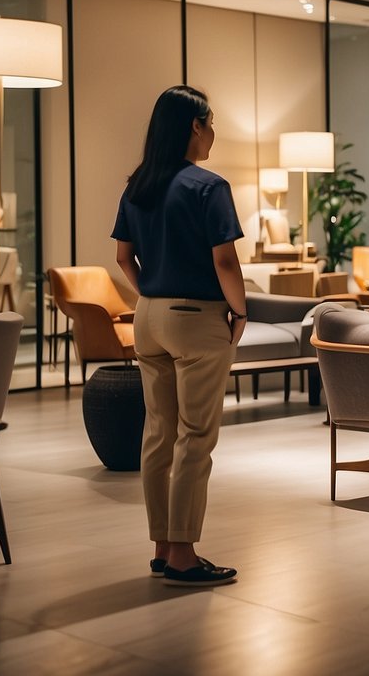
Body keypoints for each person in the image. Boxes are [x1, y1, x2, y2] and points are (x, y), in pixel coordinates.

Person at [112, 85, 247, 587]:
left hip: (147, 316)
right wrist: (240, 311)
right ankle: (185, 557)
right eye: (211, 124)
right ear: (195, 126)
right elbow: (226, 260)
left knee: (158, 435)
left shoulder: (137, 185)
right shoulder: (208, 186)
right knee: (195, 437)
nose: (213, 134)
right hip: (197, 319)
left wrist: (153, 294)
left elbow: (124, 257)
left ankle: (163, 546)